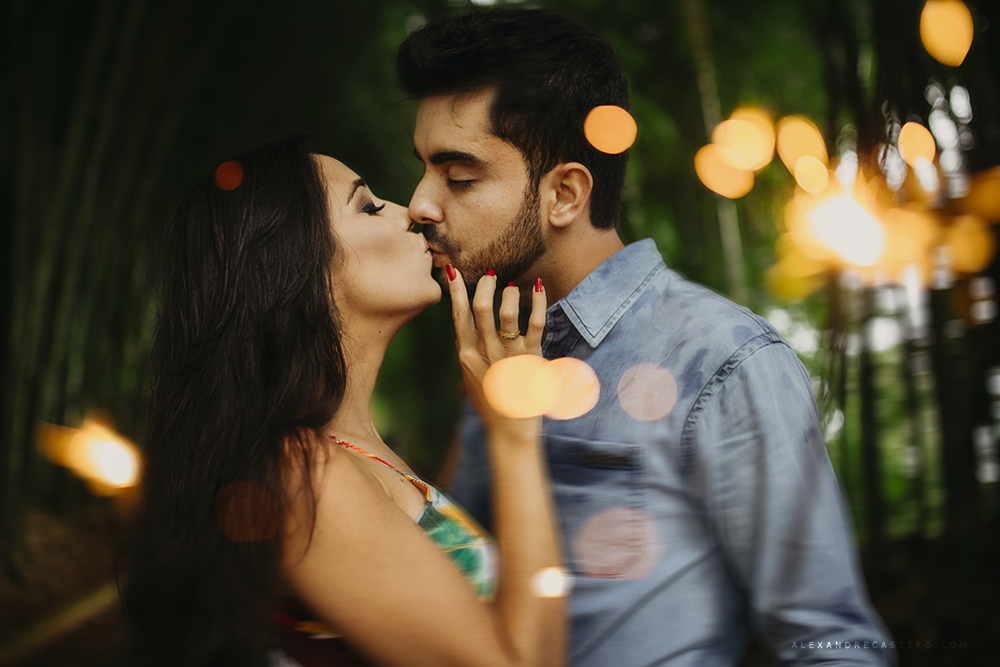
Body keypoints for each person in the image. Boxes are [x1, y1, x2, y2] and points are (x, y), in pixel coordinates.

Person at [398, 8, 895, 666]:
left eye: (458, 176)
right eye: (424, 169)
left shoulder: (721, 359)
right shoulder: (495, 347)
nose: (419, 203)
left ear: (566, 194)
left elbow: (833, 643)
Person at [122, 131, 567, 667]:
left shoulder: (353, 456)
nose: (414, 213)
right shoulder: (303, 471)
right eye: (369, 205)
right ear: (293, 264)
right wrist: (514, 434)